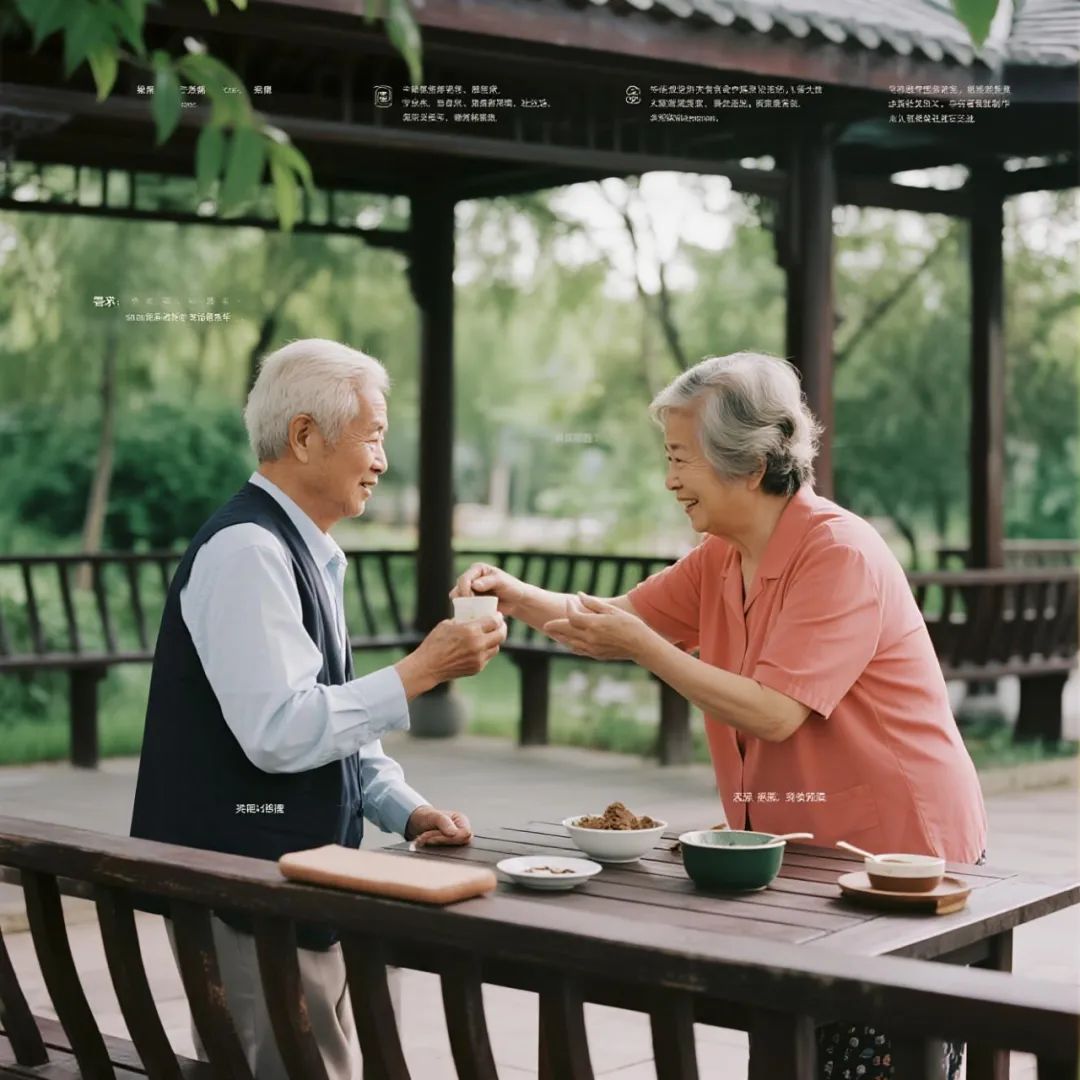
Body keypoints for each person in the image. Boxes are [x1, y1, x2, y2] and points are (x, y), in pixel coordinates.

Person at [452, 351, 987, 1080]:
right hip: (803, 850)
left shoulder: (838, 553)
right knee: (799, 1047)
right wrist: (516, 595)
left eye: (681, 458)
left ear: (749, 463)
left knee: (872, 1061)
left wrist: (647, 649)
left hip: (899, 852)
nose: (670, 479)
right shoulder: (721, 556)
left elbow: (774, 714)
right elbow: (608, 622)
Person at [131, 338, 506, 1080]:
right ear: (305, 437)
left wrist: (405, 809)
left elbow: (329, 717)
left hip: (296, 883)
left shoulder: (302, 551)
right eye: (373, 437)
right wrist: (418, 673)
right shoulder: (248, 551)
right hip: (243, 889)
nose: (382, 460)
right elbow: (279, 732)